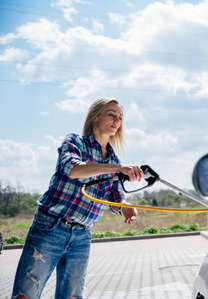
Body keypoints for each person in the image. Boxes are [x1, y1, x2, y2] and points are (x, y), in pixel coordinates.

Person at [11, 98, 144, 299]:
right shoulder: (75, 142)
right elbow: (74, 170)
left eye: (120, 117)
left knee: (72, 297)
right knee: (25, 295)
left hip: (82, 235)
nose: (117, 120)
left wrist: (124, 207)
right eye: (111, 114)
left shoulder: (113, 159)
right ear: (96, 116)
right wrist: (118, 168)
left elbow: (115, 197)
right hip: (50, 227)